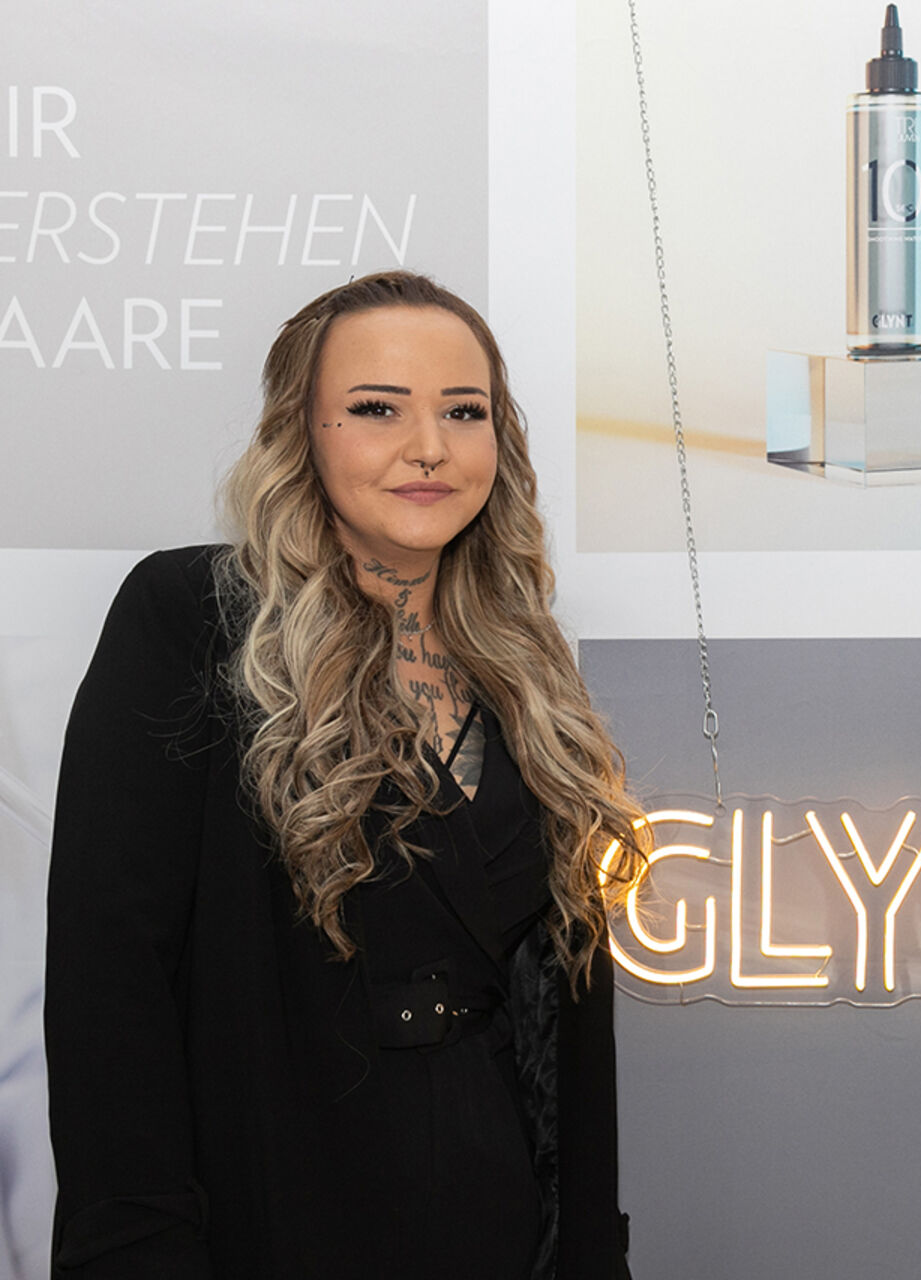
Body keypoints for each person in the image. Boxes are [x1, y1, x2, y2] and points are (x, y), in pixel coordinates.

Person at [44, 271, 647, 1278]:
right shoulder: (192, 619)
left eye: (465, 411)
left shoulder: (527, 670)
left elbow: (569, 1026)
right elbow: (111, 987)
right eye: (377, 409)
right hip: (277, 1224)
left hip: (497, 1230)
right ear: (302, 432)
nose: (430, 445)